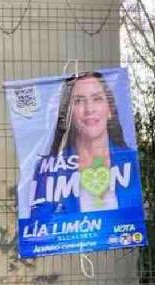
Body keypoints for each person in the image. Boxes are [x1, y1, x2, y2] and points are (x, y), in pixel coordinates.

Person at [28, 71, 142, 220]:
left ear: (109, 110)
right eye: (79, 101)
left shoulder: (131, 162)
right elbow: (40, 226)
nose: (89, 109)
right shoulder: (49, 169)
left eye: (97, 99)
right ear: (68, 113)